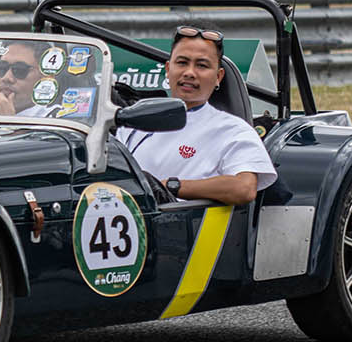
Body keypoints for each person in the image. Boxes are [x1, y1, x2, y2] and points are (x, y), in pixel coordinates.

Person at [116, 23, 275, 206]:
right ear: (168, 69)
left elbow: (244, 188)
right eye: (182, 63)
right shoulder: (132, 123)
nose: (190, 73)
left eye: (202, 65)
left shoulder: (234, 130)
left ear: (218, 77)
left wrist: (171, 186)